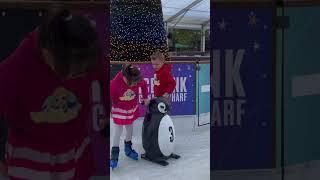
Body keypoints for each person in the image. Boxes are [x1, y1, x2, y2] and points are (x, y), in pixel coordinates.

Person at [0, 9, 108, 179]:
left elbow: (106, 75)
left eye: (81, 73)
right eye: (70, 73)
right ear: (47, 53)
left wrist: (111, 110)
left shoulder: (85, 50)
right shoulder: (20, 63)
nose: (77, 76)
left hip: (74, 146)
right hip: (30, 152)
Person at [110, 64, 149, 169]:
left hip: (131, 108)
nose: (135, 85)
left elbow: (144, 84)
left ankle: (128, 149)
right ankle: (114, 155)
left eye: (136, 83)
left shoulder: (136, 79)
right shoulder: (114, 84)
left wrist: (145, 97)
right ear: (125, 78)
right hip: (119, 108)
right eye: (133, 83)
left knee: (129, 128)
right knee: (118, 130)